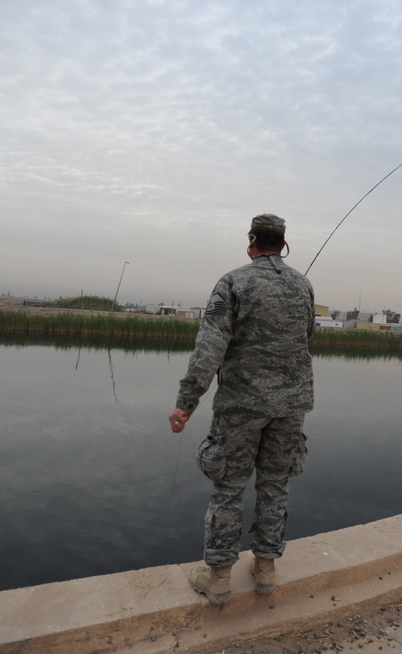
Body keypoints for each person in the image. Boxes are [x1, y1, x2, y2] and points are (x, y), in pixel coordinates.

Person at [168, 214, 315, 605]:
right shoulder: (303, 284)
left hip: (241, 406)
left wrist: (186, 403)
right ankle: (265, 570)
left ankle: (218, 577)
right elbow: (306, 337)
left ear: (251, 240)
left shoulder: (233, 281)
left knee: (229, 487)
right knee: (275, 484)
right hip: (291, 405)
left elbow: (210, 346)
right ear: (283, 244)